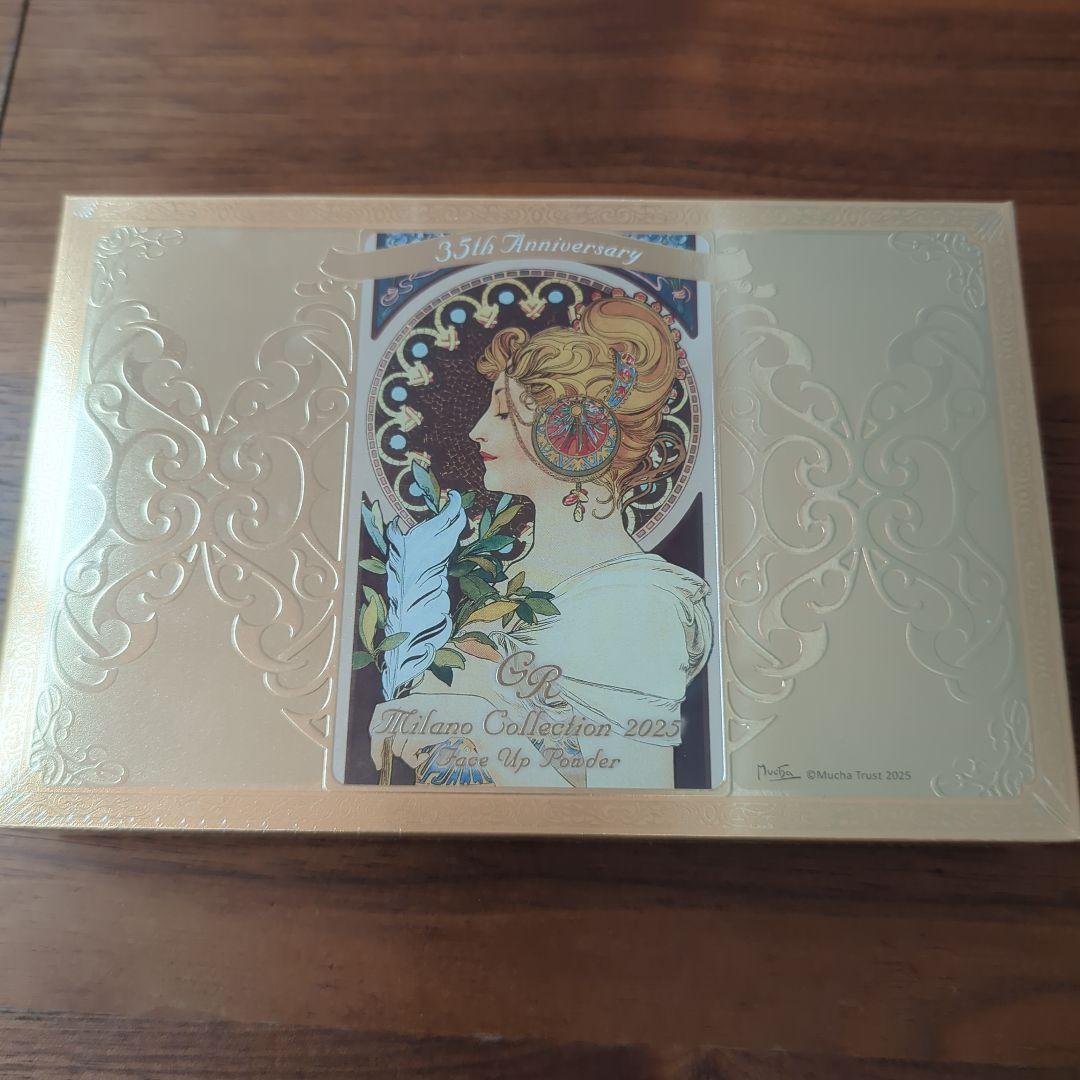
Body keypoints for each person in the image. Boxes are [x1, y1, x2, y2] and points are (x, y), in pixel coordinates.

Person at [370, 296, 712, 788]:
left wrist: (470, 724)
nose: (476, 431)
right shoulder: (510, 581)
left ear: (569, 436)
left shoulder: (640, 602)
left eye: (502, 414)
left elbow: (631, 802)